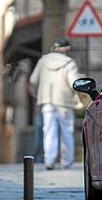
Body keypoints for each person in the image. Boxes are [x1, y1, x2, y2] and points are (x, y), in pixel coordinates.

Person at [30, 38, 84, 170]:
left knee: (49, 131)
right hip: (64, 102)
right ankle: (67, 162)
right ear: (67, 49)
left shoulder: (43, 61)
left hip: (47, 101)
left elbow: (32, 80)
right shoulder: (69, 63)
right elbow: (73, 83)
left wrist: (38, 93)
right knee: (66, 131)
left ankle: (49, 160)